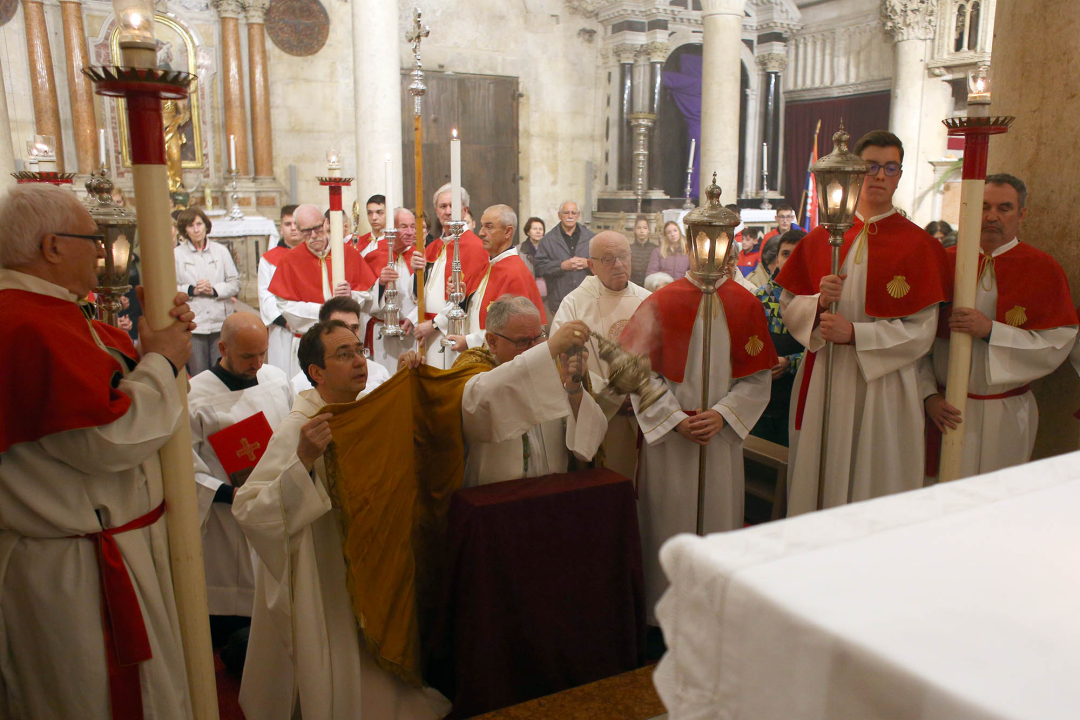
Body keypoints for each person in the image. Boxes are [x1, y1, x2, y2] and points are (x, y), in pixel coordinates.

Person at [0, 183, 198, 718]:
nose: (105, 249)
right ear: (52, 247)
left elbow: (100, 381)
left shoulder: (49, 312)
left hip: (99, 549)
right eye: (94, 238)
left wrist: (154, 346)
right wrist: (163, 365)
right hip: (76, 570)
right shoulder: (24, 325)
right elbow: (106, 440)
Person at [234, 319, 448, 720]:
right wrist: (303, 460)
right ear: (316, 372)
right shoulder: (301, 426)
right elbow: (249, 509)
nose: (358, 361)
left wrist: (406, 381)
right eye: (344, 354)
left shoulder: (357, 411)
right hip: (325, 564)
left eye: (360, 351)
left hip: (368, 559)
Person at [776, 129, 949, 515]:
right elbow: (788, 305)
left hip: (885, 384)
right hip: (826, 376)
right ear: (855, 172)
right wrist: (818, 303)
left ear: (900, 174)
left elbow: (923, 330)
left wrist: (856, 333)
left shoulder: (920, 245)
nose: (881, 175)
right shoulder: (822, 238)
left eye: (891, 167)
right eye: (871, 166)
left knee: (876, 481)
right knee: (819, 479)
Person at [620, 206, 777, 618]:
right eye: (702, 241)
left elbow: (758, 378)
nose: (711, 250)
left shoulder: (746, 305)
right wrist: (674, 419)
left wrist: (724, 414)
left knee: (717, 527)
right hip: (671, 441)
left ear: (730, 245)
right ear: (687, 244)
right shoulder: (661, 302)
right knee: (665, 524)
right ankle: (661, 614)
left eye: (720, 240)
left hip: (719, 439)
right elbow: (636, 373)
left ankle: (713, 614)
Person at [919, 175, 1078, 479]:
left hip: (1004, 413)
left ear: (1021, 214)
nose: (992, 216)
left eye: (1004, 208)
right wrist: (929, 396)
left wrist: (991, 330)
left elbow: (1058, 343)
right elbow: (918, 339)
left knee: (996, 502)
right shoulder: (943, 262)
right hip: (943, 411)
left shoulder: (1043, 269)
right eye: (983, 206)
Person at [400, 295, 604, 486]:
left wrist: (574, 390)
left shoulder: (552, 366)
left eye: (539, 337)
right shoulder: (472, 367)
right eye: (523, 341)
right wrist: (549, 347)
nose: (534, 348)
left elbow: (586, 445)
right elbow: (482, 400)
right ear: (492, 342)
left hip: (550, 495)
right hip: (494, 500)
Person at [188, 312, 294, 653]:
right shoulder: (195, 396)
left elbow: (289, 438)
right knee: (237, 631)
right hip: (227, 520)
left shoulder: (276, 380)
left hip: (277, 509)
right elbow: (184, 470)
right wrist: (229, 493)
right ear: (222, 347)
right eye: (248, 355)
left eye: (262, 353)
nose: (257, 363)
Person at [550, 231, 651, 480]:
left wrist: (639, 395)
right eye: (608, 259)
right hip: (598, 413)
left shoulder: (647, 300)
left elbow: (663, 357)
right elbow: (561, 361)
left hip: (645, 415)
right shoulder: (574, 304)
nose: (618, 264)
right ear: (592, 265)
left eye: (623, 256)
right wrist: (615, 395)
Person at [267, 203, 377, 380]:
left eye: (317, 228)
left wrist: (351, 296)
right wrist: (323, 311)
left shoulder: (347, 253)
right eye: (306, 231)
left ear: (326, 223)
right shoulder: (290, 261)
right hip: (310, 341)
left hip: (345, 342)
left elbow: (367, 295)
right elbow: (285, 306)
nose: (313, 235)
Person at [408, 183, 489, 369]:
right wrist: (416, 273)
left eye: (453, 206)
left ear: (465, 210)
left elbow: (468, 297)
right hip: (426, 331)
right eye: (443, 206)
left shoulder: (475, 248)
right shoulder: (433, 247)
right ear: (436, 211)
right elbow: (419, 295)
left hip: (452, 332)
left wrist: (435, 324)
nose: (448, 211)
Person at [449, 205, 546, 352]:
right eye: (482, 226)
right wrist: (462, 298)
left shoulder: (515, 273)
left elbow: (513, 332)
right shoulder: (487, 266)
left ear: (508, 232)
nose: (481, 233)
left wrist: (470, 342)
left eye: (489, 227)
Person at [751, 229, 806, 446]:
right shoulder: (760, 298)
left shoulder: (818, 300)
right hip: (763, 393)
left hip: (801, 394)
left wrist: (790, 362)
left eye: (796, 253)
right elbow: (747, 343)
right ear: (777, 258)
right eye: (785, 254)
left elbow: (825, 350)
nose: (790, 260)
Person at [174, 206, 240, 375]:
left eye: (199, 224)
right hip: (195, 323)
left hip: (220, 321)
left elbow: (234, 283)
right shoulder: (177, 254)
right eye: (191, 226)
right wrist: (191, 290)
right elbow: (171, 287)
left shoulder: (221, 251)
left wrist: (214, 290)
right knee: (199, 373)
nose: (196, 230)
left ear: (206, 226)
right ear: (184, 230)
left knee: (223, 371)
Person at [289, 296, 391, 395]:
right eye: (341, 328)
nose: (350, 335)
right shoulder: (301, 387)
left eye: (355, 327)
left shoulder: (380, 374)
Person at [364, 207, 420, 375]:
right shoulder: (373, 257)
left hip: (411, 334)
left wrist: (413, 317)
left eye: (413, 227)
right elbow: (364, 300)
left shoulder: (421, 257)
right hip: (383, 336)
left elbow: (429, 296)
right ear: (391, 229)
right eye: (404, 227)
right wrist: (380, 283)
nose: (410, 232)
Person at [258, 204, 303, 374]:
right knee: (282, 374)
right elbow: (265, 296)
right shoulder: (269, 260)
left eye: (296, 223)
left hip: (309, 325)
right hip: (282, 328)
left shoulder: (314, 255)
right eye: (288, 224)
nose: (293, 228)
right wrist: (285, 321)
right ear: (281, 228)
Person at [533, 201, 595, 316]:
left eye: (573, 213)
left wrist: (588, 263)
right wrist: (561, 266)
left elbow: (603, 264)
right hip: (559, 303)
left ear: (578, 215)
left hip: (587, 301)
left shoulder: (591, 237)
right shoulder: (548, 240)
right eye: (566, 213)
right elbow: (539, 267)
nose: (570, 216)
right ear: (559, 215)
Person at [628, 214, 658, 288]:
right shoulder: (629, 249)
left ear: (649, 229)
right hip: (633, 286)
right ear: (634, 229)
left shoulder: (655, 249)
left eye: (645, 228)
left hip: (651, 286)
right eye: (639, 228)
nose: (642, 231)